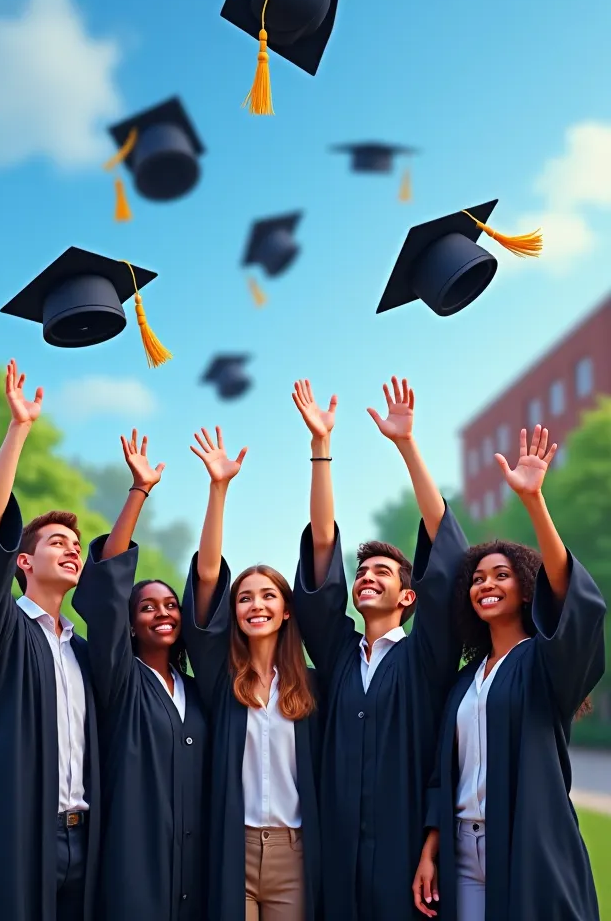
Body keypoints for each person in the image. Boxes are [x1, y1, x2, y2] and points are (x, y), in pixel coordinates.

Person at [291, 375, 469, 921]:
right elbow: (322, 547)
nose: (366, 577)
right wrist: (321, 449)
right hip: (338, 858)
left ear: (409, 595)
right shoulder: (340, 654)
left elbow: (447, 553)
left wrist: (406, 445)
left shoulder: (425, 657)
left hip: (405, 858)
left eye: (382, 572)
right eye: (361, 570)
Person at [413, 424, 607, 921]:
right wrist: (432, 844)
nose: (486, 585)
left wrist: (533, 502)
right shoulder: (465, 682)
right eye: (477, 579)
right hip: (462, 850)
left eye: (501, 575)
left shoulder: (545, 664)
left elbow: (575, 605)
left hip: (526, 845)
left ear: (527, 588)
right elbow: (444, 773)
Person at [0, 360, 102, 921]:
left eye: (76, 542)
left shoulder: (83, 653)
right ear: (23, 561)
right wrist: (19, 431)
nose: (72, 548)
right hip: (17, 840)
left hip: (85, 843)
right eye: (58, 540)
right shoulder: (0, 632)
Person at [181, 426, 322, 921]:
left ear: (286, 611)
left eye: (268, 596)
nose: (255, 604)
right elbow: (205, 578)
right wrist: (218, 489)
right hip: (232, 848)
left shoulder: (311, 685)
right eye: (244, 597)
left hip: (295, 853)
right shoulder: (222, 681)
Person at [72, 429, 208, 921]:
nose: (163, 613)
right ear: (129, 623)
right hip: (134, 866)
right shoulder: (118, 678)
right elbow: (107, 584)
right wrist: (139, 491)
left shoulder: (194, 691)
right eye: (147, 607)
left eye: (171, 605)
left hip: (192, 868)